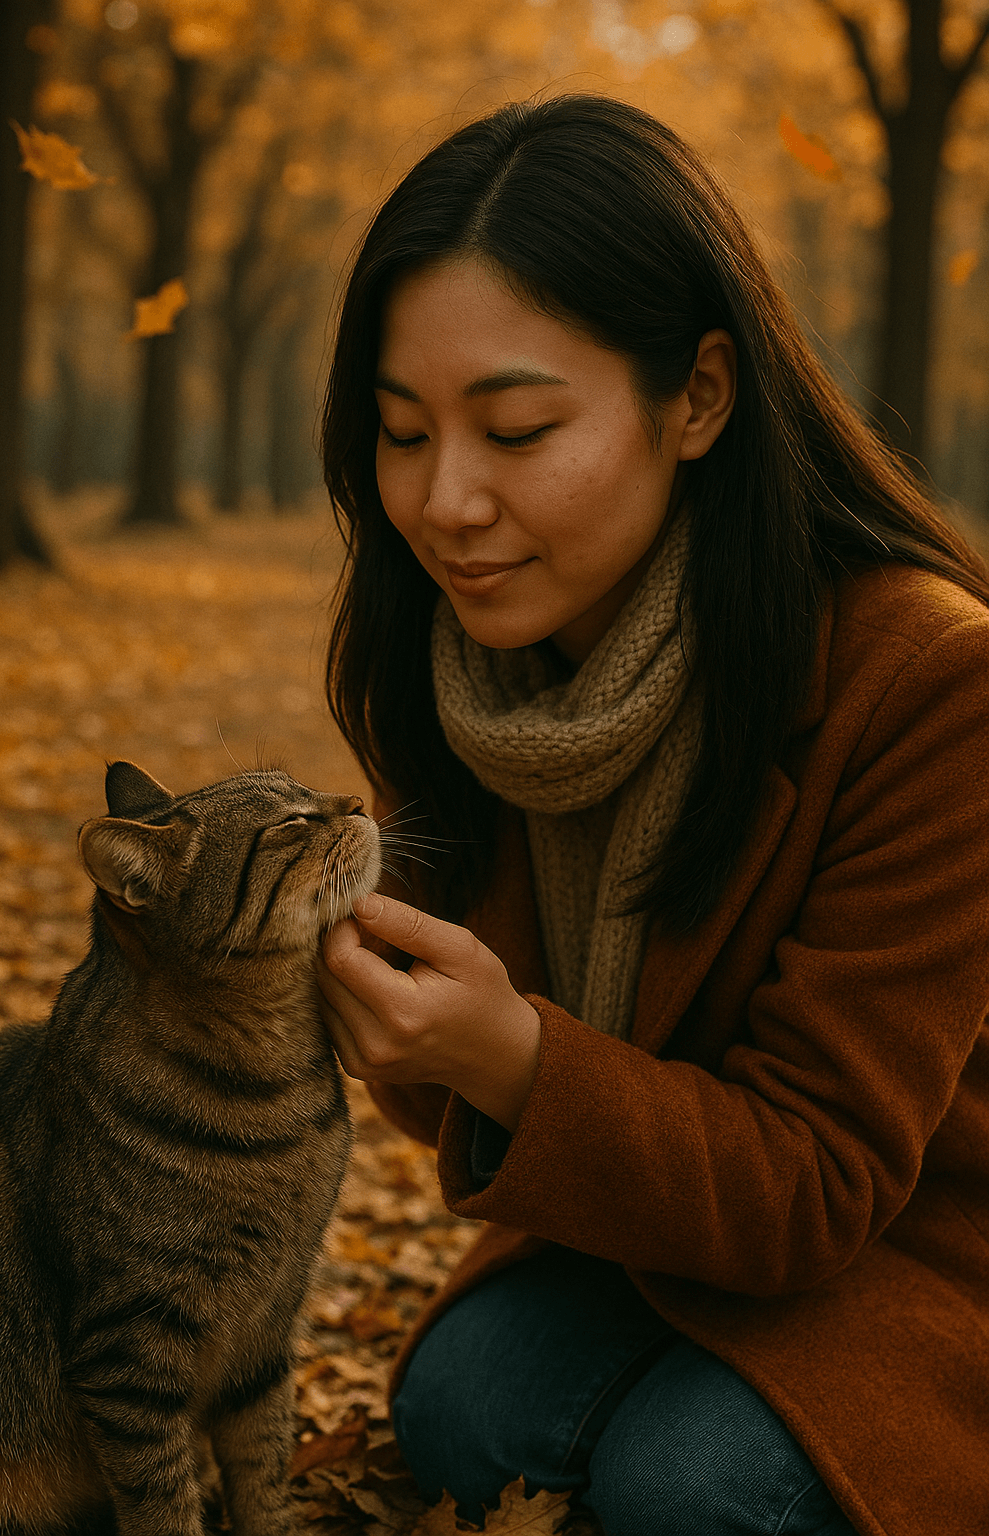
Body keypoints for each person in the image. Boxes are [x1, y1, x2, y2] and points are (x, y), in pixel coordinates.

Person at [315, 95, 989, 1536]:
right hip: (642, 1227)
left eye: (515, 428)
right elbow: (450, 1104)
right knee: (463, 1412)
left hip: (912, 1243)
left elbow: (818, 1179)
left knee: (695, 1492)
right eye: (401, 431)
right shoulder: (441, 664)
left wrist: (518, 1055)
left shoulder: (927, 680)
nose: (445, 503)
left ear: (697, 397)